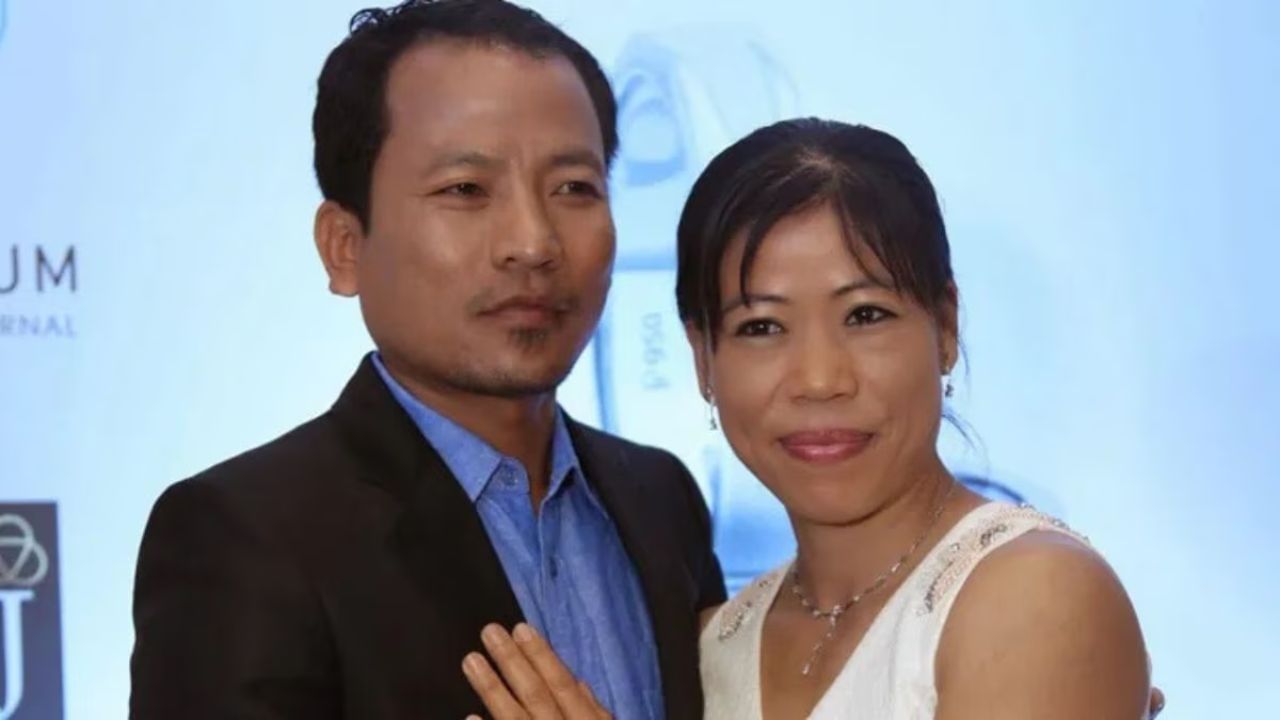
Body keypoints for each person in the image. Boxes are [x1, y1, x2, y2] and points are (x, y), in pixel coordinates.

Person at [128, 2, 723, 718]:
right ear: (344, 246)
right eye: (465, 190)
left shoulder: (661, 499)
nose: (533, 243)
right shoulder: (243, 536)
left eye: (574, 188)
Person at [463, 118, 1160, 719]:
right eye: (762, 327)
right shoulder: (706, 650)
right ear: (703, 359)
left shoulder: (1035, 595)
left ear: (945, 326)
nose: (820, 379)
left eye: (866, 315)